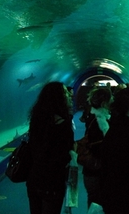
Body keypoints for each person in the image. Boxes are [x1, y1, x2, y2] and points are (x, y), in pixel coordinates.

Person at [26, 82, 75, 214]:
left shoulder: (36, 120)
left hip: (34, 178)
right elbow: (62, 157)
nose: (69, 95)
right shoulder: (63, 126)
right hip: (52, 182)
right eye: (65, 93)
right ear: (58, 97)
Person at [81, 87, 112, 209]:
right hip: (96, 172)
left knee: (94, 202)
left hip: (91, 171)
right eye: (111, 99)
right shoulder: (100, 122)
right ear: (104, 102)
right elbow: (102, 149)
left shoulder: (94, 117)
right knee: (97, 204)